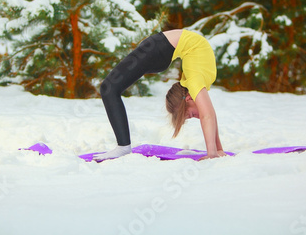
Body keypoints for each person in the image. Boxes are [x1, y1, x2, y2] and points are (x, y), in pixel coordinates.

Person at [94, 29, 227, 161]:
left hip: (160, 48)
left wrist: (217, 150)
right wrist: (213, 153)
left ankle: (123, 146)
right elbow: (208, 115)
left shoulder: (195, 83)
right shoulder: (195, 82)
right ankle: (123, 147)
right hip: (158, 48)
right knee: (108, 88)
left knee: (110, 88)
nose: (197, 117)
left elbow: (209, 114)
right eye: (191, 114)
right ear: (188, 98)